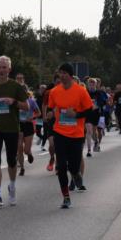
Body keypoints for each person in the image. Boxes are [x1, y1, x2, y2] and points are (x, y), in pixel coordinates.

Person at [46, 63, 93, 209]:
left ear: (71, 75)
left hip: (76, 134)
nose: (62, 76)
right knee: (61, 166)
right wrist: (49, 113)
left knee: (73, 165)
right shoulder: (54, 91)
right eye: (60, 73)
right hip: (60, 132)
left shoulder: (81, 91)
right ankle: (66, 197)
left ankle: (76, 174)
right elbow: (50, 107)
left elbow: (89, 110)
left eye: (65, 73)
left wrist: (76, 115)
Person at [0, 56, 29, 207]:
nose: (1, 70)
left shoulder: (16, 86)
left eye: (4, 67)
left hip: (11, 127)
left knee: (11, 160)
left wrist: (14, 102)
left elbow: (26, 107)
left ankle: (12, 186)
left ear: (9, 69)